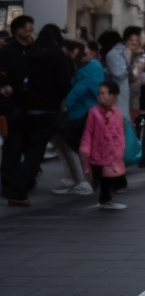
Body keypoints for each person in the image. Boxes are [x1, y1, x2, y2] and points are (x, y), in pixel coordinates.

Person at [4, 23, 72, 205]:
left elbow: (20, 79)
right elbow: (64, 84)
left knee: (26, 147)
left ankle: (14, 182)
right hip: (48, 109)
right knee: (36, 152)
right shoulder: (57, 56)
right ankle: (18, 190)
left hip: (27, 108)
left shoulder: (30, 53)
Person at [51, 40, 105, 196]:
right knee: (81, 147)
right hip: (84, 112)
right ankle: (87, 181)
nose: (83, 54)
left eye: (86, 51)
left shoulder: (92, 67)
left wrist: (66, 103)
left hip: (84, 112)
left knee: (78, 146)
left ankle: (86, 181)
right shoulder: (89, 67)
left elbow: (81, 88)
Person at [0, 15, 33, 205]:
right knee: (13, 144)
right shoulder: (7, 51)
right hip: (13, 103)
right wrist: (3, 85)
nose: (30, 31)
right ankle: (8, 182)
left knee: (28, 144)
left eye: (31, 27)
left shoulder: (33, 50)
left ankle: (25, 179)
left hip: (31, 103)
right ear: (18, 30)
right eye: (27, 28)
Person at [80, 80, 127, 210]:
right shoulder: (94, 112)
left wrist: (120, 148)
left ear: (112, 96)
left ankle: (106, 197)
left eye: (103, 93)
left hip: (113, 153)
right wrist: (85, 149)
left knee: (110, 177)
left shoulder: (116, 112)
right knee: (105, 177)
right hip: (99, 153)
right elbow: (88, 133)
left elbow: (119, 132)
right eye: (99, 93)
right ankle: (105, 198)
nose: (100, 96)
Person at [99, 29, 130, 121]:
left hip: (117, 93)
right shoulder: (124, 51)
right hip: (123, 92)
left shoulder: (112, 55)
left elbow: (119, 73)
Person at [123, 26, 145, 121]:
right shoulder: (128, 53)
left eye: (137, 39)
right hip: (126, 97)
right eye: (131, 39)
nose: (134, 42)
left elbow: (133, 75)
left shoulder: (141, 56)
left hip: (132, 99)